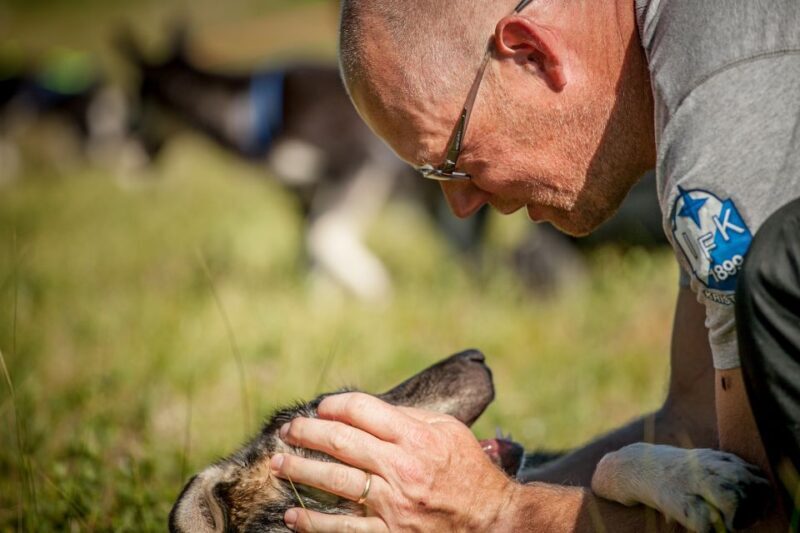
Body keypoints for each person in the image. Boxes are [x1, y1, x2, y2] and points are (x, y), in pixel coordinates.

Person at [265, 0, 800, 530]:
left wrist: (500, 514)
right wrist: (465, 494)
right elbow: (695, 423)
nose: (461, 205)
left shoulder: (722, 106)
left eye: (454, 161)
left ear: (530, 54)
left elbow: (759, 512)